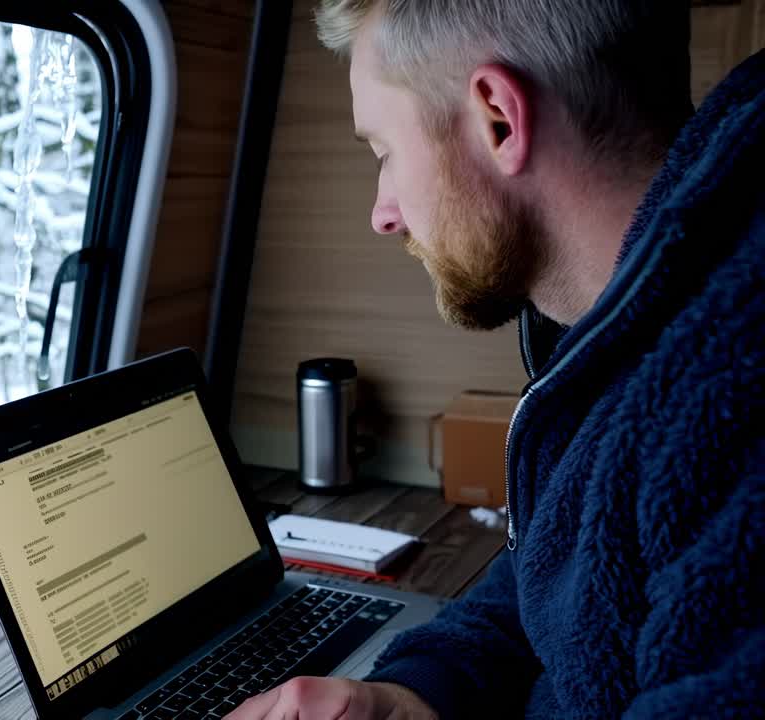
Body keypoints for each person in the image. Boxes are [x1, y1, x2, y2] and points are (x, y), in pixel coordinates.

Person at [228, 1, 765, 718]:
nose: (383, 214)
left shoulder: (729, 393)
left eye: (385, 154)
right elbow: (562, 581)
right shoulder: (621, 335)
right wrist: (410, 696)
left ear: (499, 120)